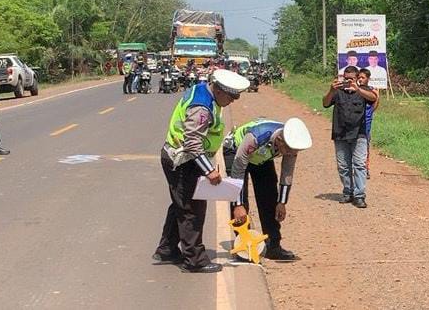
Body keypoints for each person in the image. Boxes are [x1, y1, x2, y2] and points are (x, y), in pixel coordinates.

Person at [153, 69, 249, 273]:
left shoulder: (204, 92)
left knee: (180, 204)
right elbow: (193, 143)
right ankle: (194, 260)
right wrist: (209, 171)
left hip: (183, 158)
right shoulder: (202, 107)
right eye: (231, 97)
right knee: (192, 210)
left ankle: (167, 249)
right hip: (183, 160)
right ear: (220, 91)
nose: (232, 102)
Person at [223, 118, 312, 261]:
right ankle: (245, 247)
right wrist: (238, 204)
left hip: (261, 157)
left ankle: (273, 246)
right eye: (288, 150)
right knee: (240, 205)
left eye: (295, 151)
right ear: (279, 140)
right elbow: (238, 169)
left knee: (270, 197)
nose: (290, 153)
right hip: (236, 153)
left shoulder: (291, 144)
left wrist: (282, 202)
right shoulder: (257, 137)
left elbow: (287, 173)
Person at [322, 66, 377, 208]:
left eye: (351, 78)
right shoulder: (337, 91)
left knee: (359, 164)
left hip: (359, 134)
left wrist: (358, 89)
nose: (348, 81)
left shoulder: (364, 91)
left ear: (357, 78)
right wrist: (331, 90)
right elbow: (325, 103)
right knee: (343, 166)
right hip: (340, 133)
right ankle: (348, 192)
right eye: (345, 78)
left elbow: (373, 98)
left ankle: (359, 196)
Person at [358, 68, 379, 179]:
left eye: (363, 77)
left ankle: (365, 169)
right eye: (359, 77)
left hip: (366, 123)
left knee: (365, 147)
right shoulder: (355, 90)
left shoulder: (371, 91)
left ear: (368, 79)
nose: (360, 80)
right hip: (355, 123)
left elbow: (374, 105)